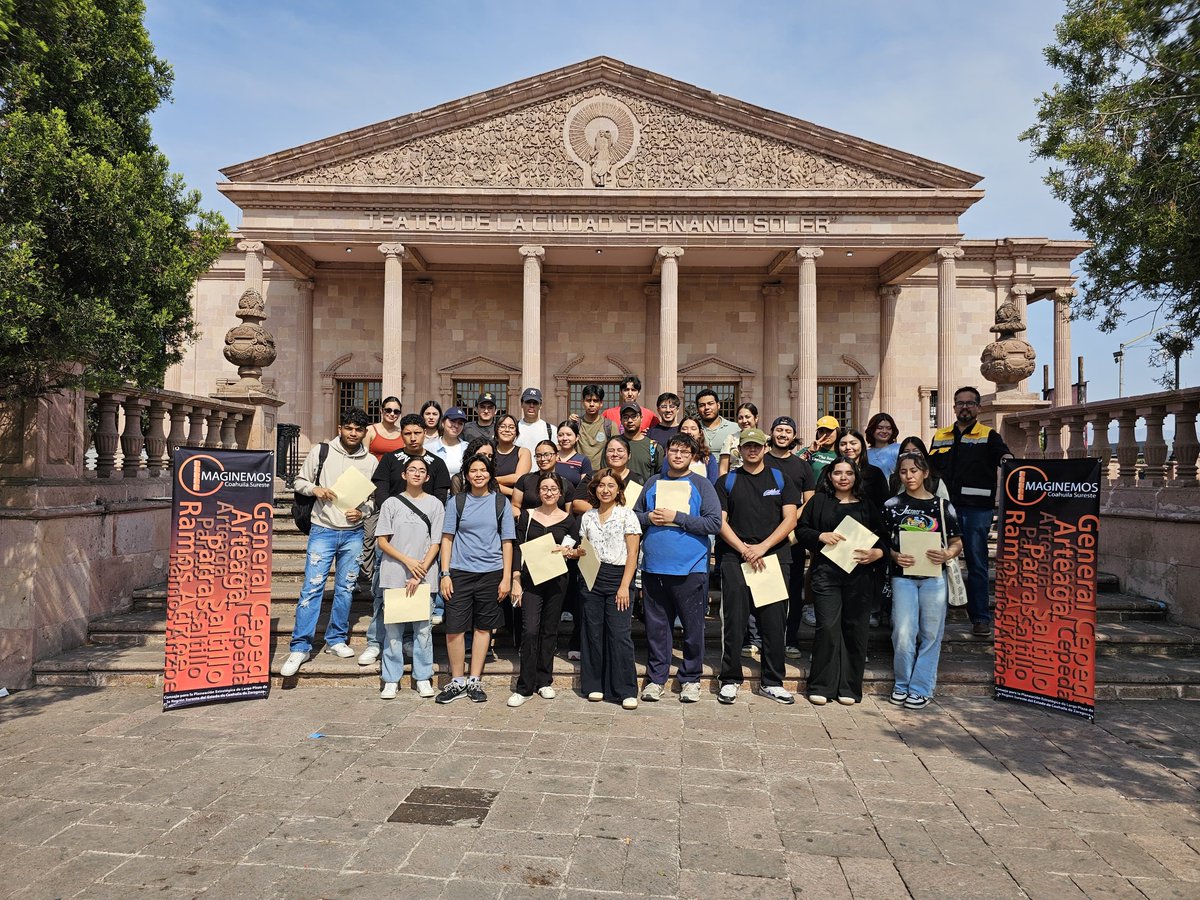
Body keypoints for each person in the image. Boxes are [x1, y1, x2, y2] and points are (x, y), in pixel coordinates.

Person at [281, 408, 377, 678]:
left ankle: (336, 639)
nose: (353, 433)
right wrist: (316, 489)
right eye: (349, 428)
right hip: (322, 529)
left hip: (353, 533)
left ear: (365, 432)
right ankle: (300, 646)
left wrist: (363, 512)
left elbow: (372, 499)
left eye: (358, 429)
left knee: (346, 589)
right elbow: (299, 481)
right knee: (312, 588)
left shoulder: (370, 462)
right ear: (340, 428)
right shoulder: (321, 451)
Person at [714, 428, 802, 705]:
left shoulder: (781, 479)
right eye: (747, 446)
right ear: (739, 450)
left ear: (765, 448)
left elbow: (790, 519)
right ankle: (730, 679)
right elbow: (720, 522)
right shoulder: (727, 481)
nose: (752, 450)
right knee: (735, 621)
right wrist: (745, 550)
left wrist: (762, 548)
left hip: (772, 557)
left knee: (773, 622)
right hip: (735, 557)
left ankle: (772, 681)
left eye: (757, 446)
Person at [634, 433, 721, 703]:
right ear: (667, 453)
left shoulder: (702, 484)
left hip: (690, 568)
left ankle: (691, 678)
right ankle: (656, 678)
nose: (678, 455)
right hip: (654, 567)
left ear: (692, 456)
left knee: (693, 628)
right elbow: (634, 517)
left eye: (684, 451)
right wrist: (649, 517)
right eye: (674, 450)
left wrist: (678, 517)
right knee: (657, 628)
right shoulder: (653, 483)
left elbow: (714, 523)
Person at [796, 457, 887, 705]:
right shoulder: (819, 501)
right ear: (829, 476)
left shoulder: (867, 505)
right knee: (827, 627)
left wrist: (878, 553)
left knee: (855, 629)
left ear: (856, 476)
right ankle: (821, 685)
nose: (843, 477)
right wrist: (820, 536)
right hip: (826, 574)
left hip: (860, 576)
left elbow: (883, 539)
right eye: (838, 473)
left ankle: (849, 687)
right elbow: (801, 531)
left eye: (849, 473)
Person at [363, 414, 452, 663]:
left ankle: (410, 641)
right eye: (408, 433)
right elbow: (380, 492)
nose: (413, 437)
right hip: (391, 535)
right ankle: (375, 641)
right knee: (383, 594)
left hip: (423, 541)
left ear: (425, 433)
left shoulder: (436, 463)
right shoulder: (390, 459)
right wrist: (392, 520)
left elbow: (440, 499)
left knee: (418, 595)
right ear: (401, 434)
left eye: (417, 432)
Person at [928, 386, 1013, 638]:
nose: (964, 407)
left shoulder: (989, 435)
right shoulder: (940, 435)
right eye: (960, 403)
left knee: (977, 563)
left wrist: (1009, 460)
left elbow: (1004, 457)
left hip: (976, 509)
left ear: (978, 407)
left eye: (970, 403)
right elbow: (929, 470)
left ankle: (980, 617)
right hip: (944, 508)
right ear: (954, 407)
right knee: (938, 561)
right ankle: (937, 615)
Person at [884, 451, 963, 710]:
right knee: (903, 632)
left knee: (931, 633)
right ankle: (902, 683)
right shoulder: (892, 505)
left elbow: (956, 542)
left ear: (925, 473)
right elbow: (883, 542)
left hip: (934, 577)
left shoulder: (943, 506)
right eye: (903, 471)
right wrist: (895, 555)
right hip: (903, 577)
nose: (909, 476)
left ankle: (921, 688)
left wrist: (947, 554)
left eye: (914, 470)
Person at [435, 454, 516, 703]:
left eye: (483, 470)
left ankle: (474, 679)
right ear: (466, 475)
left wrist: (506, 578)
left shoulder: (501, 502)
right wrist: (445, 574)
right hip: (459, 572)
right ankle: (457, 680)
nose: (478, 474)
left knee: (483, 627)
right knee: (454, 628)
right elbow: (447, 538)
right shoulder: (456, 502)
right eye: (473, 470)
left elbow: (507, 542)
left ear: (490, 474)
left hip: (491, 573)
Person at [508, 472, 581, 707]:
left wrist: (569, 552)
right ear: (538, 492)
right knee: (530, 629)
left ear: (560, 493)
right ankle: (524, 686)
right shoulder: (527, 516)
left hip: (557, 581)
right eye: (544, 489)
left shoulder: (570, 521)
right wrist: (515, 579)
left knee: (550, 630)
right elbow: (518, 547)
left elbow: (574, 550)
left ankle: (544, 680)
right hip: (531, 580)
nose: (549, 493)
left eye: (553, 489)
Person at [376, 456, 442, 700]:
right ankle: (391, 679)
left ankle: (422, 677)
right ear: (404, 475)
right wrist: (408, 562)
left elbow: (436, 542)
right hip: (395, 574)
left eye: (421, 470)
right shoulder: (391, 503)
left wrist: (419, 569)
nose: (416, 473)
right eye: (412, 469)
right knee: (393, 632)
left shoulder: (435, 504)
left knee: (423, 630)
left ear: (427, 476)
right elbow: (382, 541)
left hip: (424, 575)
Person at [577, 468, 642, 709]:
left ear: (618, 490)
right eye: (601, 485)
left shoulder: (627, 515)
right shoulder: (588, 517)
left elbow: (633, 553)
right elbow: (584, 548)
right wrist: (572, 552)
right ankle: (594, 685)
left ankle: (625, 689)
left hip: (618, 576)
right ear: (595, 489)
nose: (605, 490)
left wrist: (625, 586)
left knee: (619, 634)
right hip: (591, 576)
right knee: (593, 632)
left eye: (611, 486)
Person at [762, 416, 818, 660]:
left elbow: (810, 500)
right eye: (779, 430)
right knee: (764, 588)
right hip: (763, 534)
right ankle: (763, 638)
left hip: (792, 537)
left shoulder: (802, 466)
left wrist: (791, 524)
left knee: (792, 590)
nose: (783, 434)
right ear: (771, 433)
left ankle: (790, 639)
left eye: (787, 430)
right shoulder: (762, 460)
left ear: (794, 436)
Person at [356, 396, 405, 587]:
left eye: (396, 411)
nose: (392, 414)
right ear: (381, 411)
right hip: (372, 488)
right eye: (388, 410)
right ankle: (364, 575)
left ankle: (386, 575)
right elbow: (362, 459)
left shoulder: (402, 434)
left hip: (395, 489)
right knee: (368, 534)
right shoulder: (371, 431)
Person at [571, 436, 641, 513]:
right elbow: (577, 504)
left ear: (629, 455)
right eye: (611, 451)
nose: (615, 454)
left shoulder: (637, 480)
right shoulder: (594, 476)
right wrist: (604, 512)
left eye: (620, 450)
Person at [836, 428, 890, 512]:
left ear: (862, 445)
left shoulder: (875, 473)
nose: (848, 447)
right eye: (843, 444)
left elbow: (883, 503)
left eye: (853, 443)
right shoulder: (829, 471)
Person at [571, 384, 619, 470]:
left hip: (602, 474)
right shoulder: (576, 425)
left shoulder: (610, 425)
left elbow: (617, 450)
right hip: (579, 473)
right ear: (583, 402)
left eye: (595, 401)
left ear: (601, 403)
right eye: (588, 400)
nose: (592, 404)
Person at [512, 439, 561, 515]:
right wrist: (521, 519)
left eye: (547, 455)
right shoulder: (525, 480)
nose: (542, 459)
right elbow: (515, 505)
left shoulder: (565, 483)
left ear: (557, 456)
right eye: (538, 456)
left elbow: (568, 514)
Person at [619, 402, 662, 484]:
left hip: (644, 491)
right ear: (621, 420)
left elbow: (660, 477)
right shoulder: (613, 445)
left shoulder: (653, 447)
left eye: (634, 416)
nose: (630, 420)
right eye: (626, 417)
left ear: (641, 418)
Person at [696, 388, 738, 470]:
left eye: (710, 404)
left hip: (728, 474)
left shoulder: (735, 428)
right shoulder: (694, 429)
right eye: (702, 405)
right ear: (697, 409)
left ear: (718, 405)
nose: (706, 408)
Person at [492, 413, 532, 499]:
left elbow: (518, 478)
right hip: (490, 499)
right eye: (502, 426)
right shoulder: (489, 451)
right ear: (496, 430)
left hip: (514, 501)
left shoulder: (523, 452)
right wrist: (513, 492)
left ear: (516, 432)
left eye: (511, 427)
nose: (507, 430)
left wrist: (492, 481)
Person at [671, 415, 719, 483]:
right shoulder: (671, 456)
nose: (689, 432)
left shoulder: (708, 458)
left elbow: (712, 484)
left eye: (693, 429)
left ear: (700, 433)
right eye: (684, 428)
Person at [719, 402, 760, 475]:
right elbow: (723, 469)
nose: (744, 421)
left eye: (747, 417)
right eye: (740, 418)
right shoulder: (731, 439)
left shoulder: (766, 439)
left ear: (756, 418)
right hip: (734, 478)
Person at [798, 415, 840, 479]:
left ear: (837, 431)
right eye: (821, 431)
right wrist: (809, 452)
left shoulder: (842, 453)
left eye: (829, 430)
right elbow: (792, 466)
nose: (825, 435)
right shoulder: (807, 451)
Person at [515, 388, 556, 452]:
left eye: (535, 403)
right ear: (522, 404)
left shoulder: (552, 430)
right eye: (528, 402)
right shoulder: (514, 429)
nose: (531, 406)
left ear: (540, 405)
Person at [554, 420, 593, 488]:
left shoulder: (583, 461)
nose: (565, 438)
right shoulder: (552, 457)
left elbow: (584, 488)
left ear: (577, 437)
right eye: (560, 435)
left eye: (569, 435)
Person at [433, 406, 468, 478]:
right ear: (443, 423)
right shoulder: (429, 448)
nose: (456, 426)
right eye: (452, 421)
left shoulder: (467, 448)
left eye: (460, 423)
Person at [865, 412, 901, 482]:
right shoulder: (865, 454)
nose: (884, 431)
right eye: (880, 428)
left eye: (888, 428)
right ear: (872, 430)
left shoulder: (899, 449)